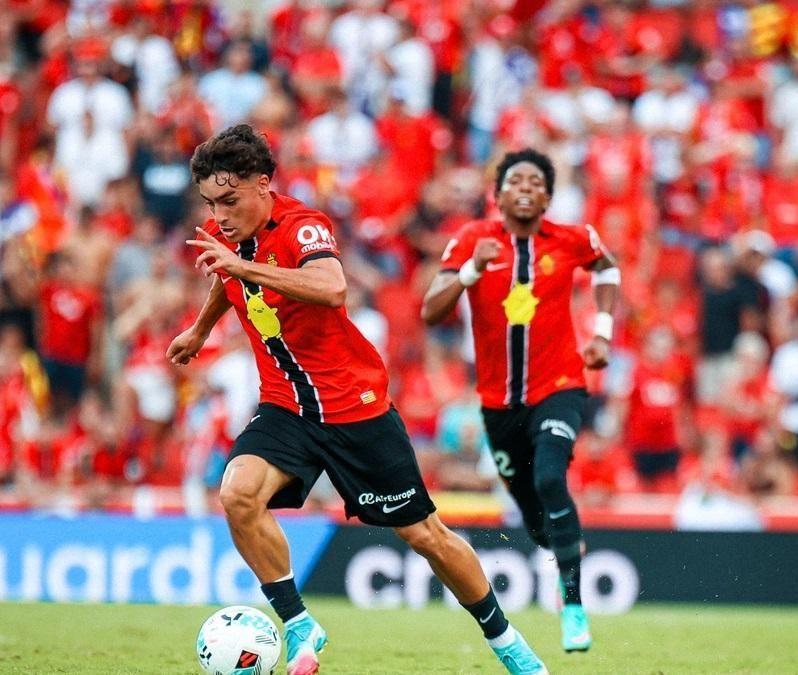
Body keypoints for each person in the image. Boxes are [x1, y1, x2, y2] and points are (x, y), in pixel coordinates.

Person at [168, 125, 547, 675]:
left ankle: (506, 640)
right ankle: (299, 623)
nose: (220, 215)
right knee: (237, 493)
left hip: (354, 407)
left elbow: (332, 287)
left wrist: (243, 267)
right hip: (287, 406)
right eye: (210, 203)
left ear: (264, 185)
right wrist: (202, 329)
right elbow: (229, 282)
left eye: (229, 199)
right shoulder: (225, 234)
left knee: (426, 537)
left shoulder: (303, 229)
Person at [421, 148, 620, 653]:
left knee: (552, 476)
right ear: (499, 193)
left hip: (560, 387)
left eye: (537, 180)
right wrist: (469, 273)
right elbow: (430, 310)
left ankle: (572, 606)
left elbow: (608, 269)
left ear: (548, 196)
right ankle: (562, 551)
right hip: (498, 404)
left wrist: (602, 332)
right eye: (516, 179)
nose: (527, 186)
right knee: (535, 519)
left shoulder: (573, 238)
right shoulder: (473, 239)